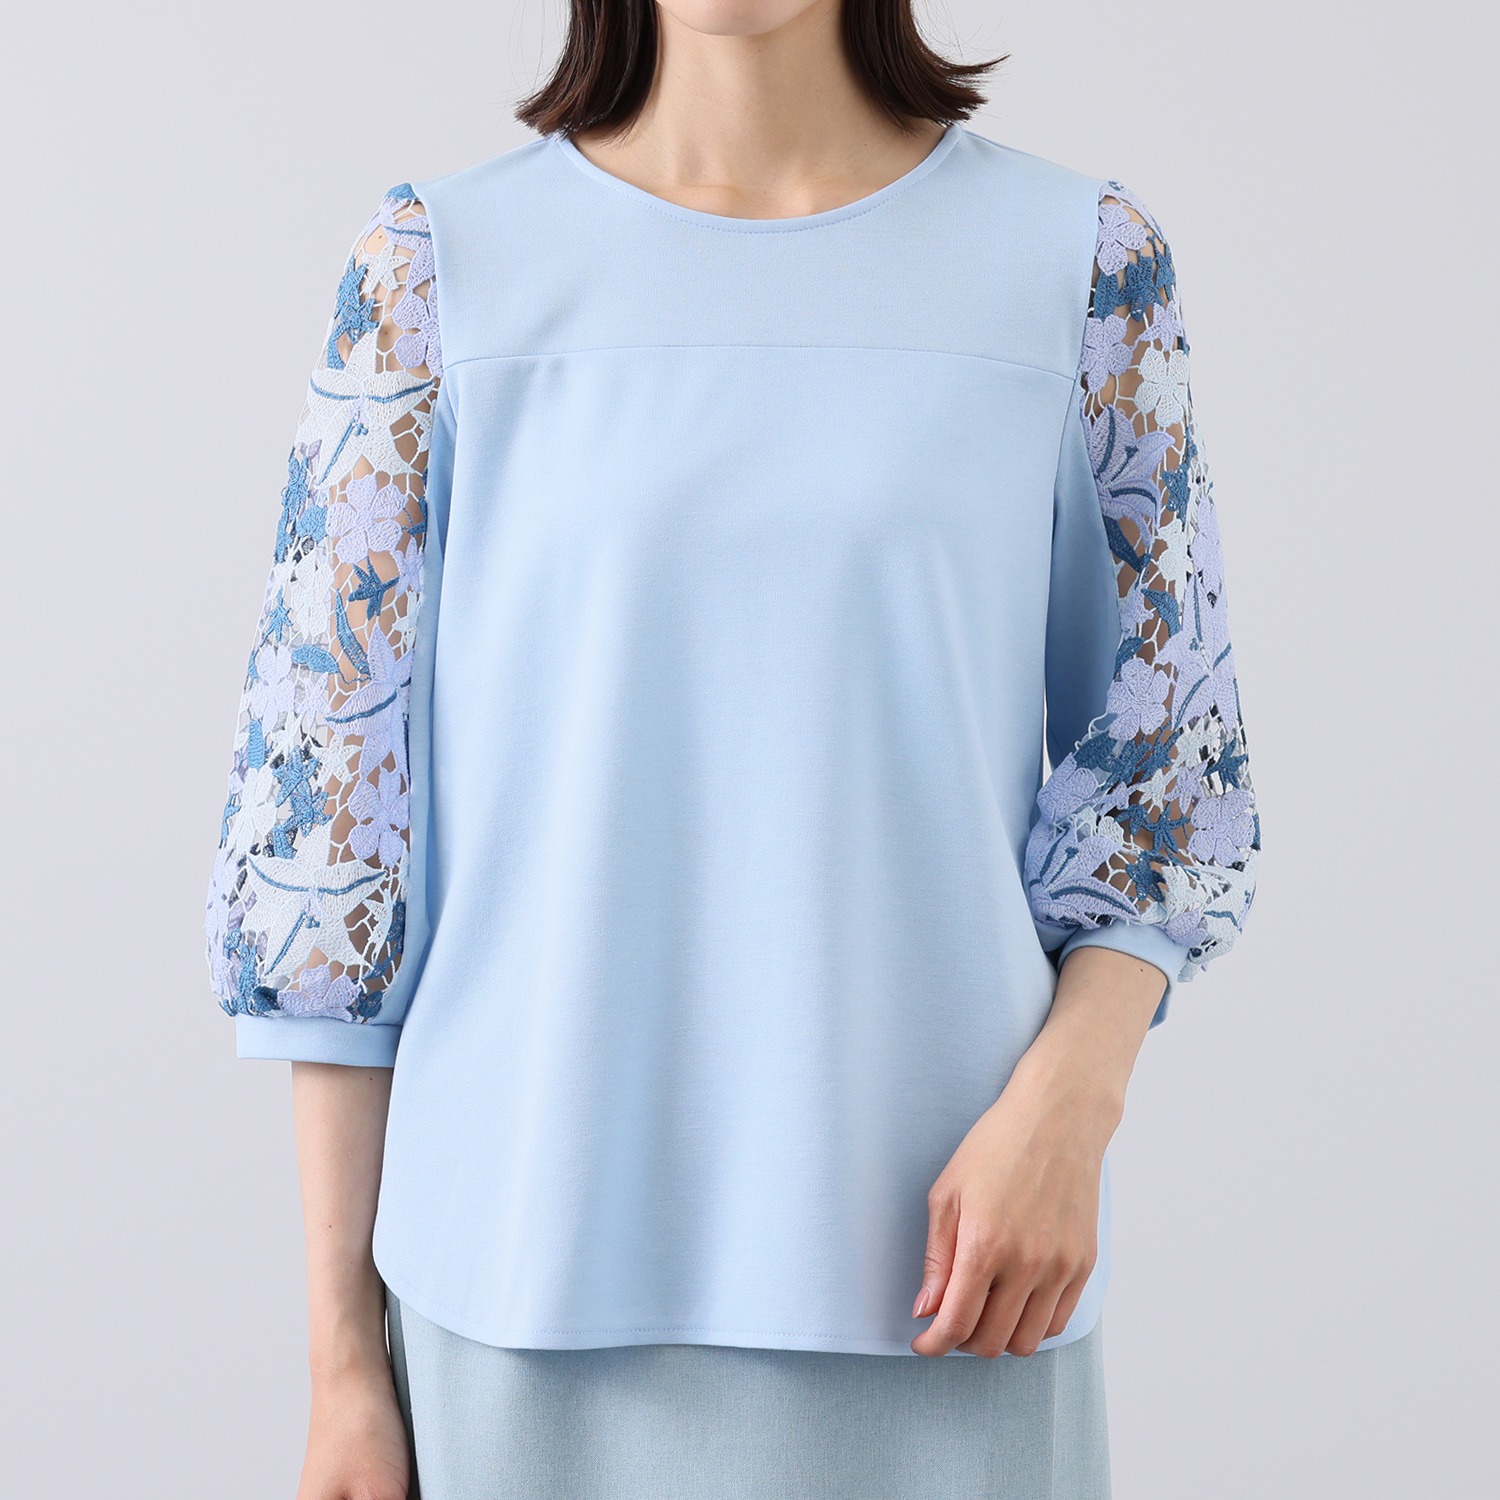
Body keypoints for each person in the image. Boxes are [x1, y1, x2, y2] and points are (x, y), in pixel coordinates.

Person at [201, 1, 1260, 1495]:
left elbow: (1166, 767)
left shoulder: (1079, 267)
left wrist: (1071, 1108)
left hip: (960, 1298)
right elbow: (331, 852)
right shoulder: (432, 275)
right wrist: (340, 1365)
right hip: (519, 1301)